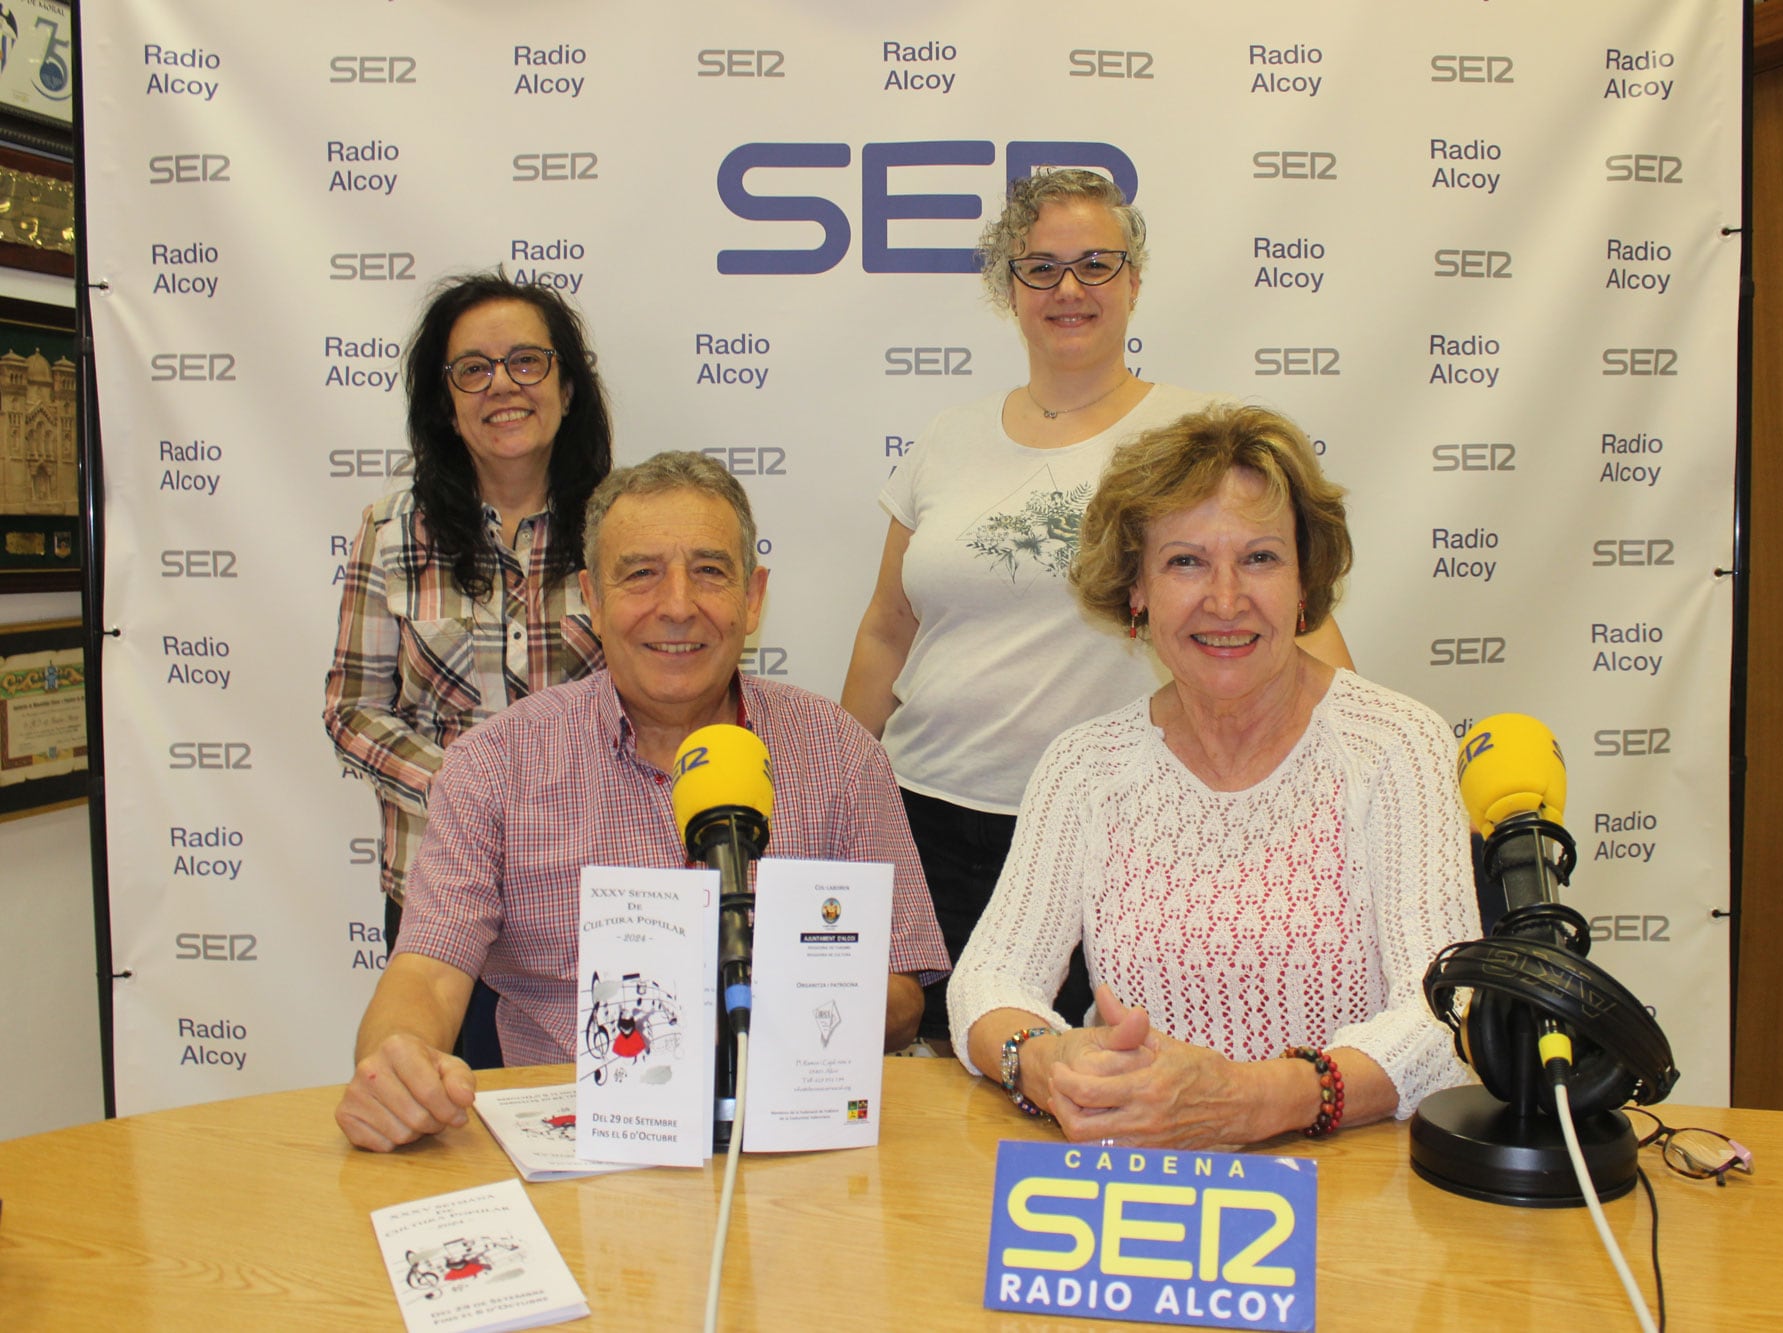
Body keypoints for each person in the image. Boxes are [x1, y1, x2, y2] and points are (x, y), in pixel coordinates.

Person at [842, 169, 1352, 1039]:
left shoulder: (1198, 438)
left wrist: (1357, 773)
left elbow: (1296, 631)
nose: (1068, 289)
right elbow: (889, 631)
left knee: (1119, 1074)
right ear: (1010, 288)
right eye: (1041, 268)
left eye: (1096, 264)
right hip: (928, 818)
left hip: (1126, 829)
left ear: (1135, 281)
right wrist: (843, 798)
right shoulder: (947, 438)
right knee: (952, 1081)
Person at [335, 452, 951, 1151]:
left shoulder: (839, 752)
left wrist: (775, 998)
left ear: (754, 597)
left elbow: (904, 992)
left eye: (711, 571)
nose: (679, 604)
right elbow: (426, 971)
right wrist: (397, 1062)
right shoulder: (493, 765)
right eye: (641, 573)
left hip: (791, 1150)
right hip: (577, 1156)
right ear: (592, 599)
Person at [947, 403, 1477, 1150]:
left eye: (1259, 558)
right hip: (1138, 1186)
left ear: (1305, 582)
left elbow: (1446, 1016)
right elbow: (986, 982)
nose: (1225, 601)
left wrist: (1255, 1098)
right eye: (1185, 561)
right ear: (1136, 591)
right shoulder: (1084, 767)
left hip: (1350, 1190)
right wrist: (1048, 1060)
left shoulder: (1397, 745)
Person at [324, 272, 613, 1064]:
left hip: (595, 891)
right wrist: (466, 783)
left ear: (567, 384)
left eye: (526, 361)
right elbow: (352, 709)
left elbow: (667, 691)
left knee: (610, 1127)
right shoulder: (390, 531)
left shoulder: (620, 526)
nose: (503, 386)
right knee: (447, 1127)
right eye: (473, 369)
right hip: (437, 894)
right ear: (444, 401)